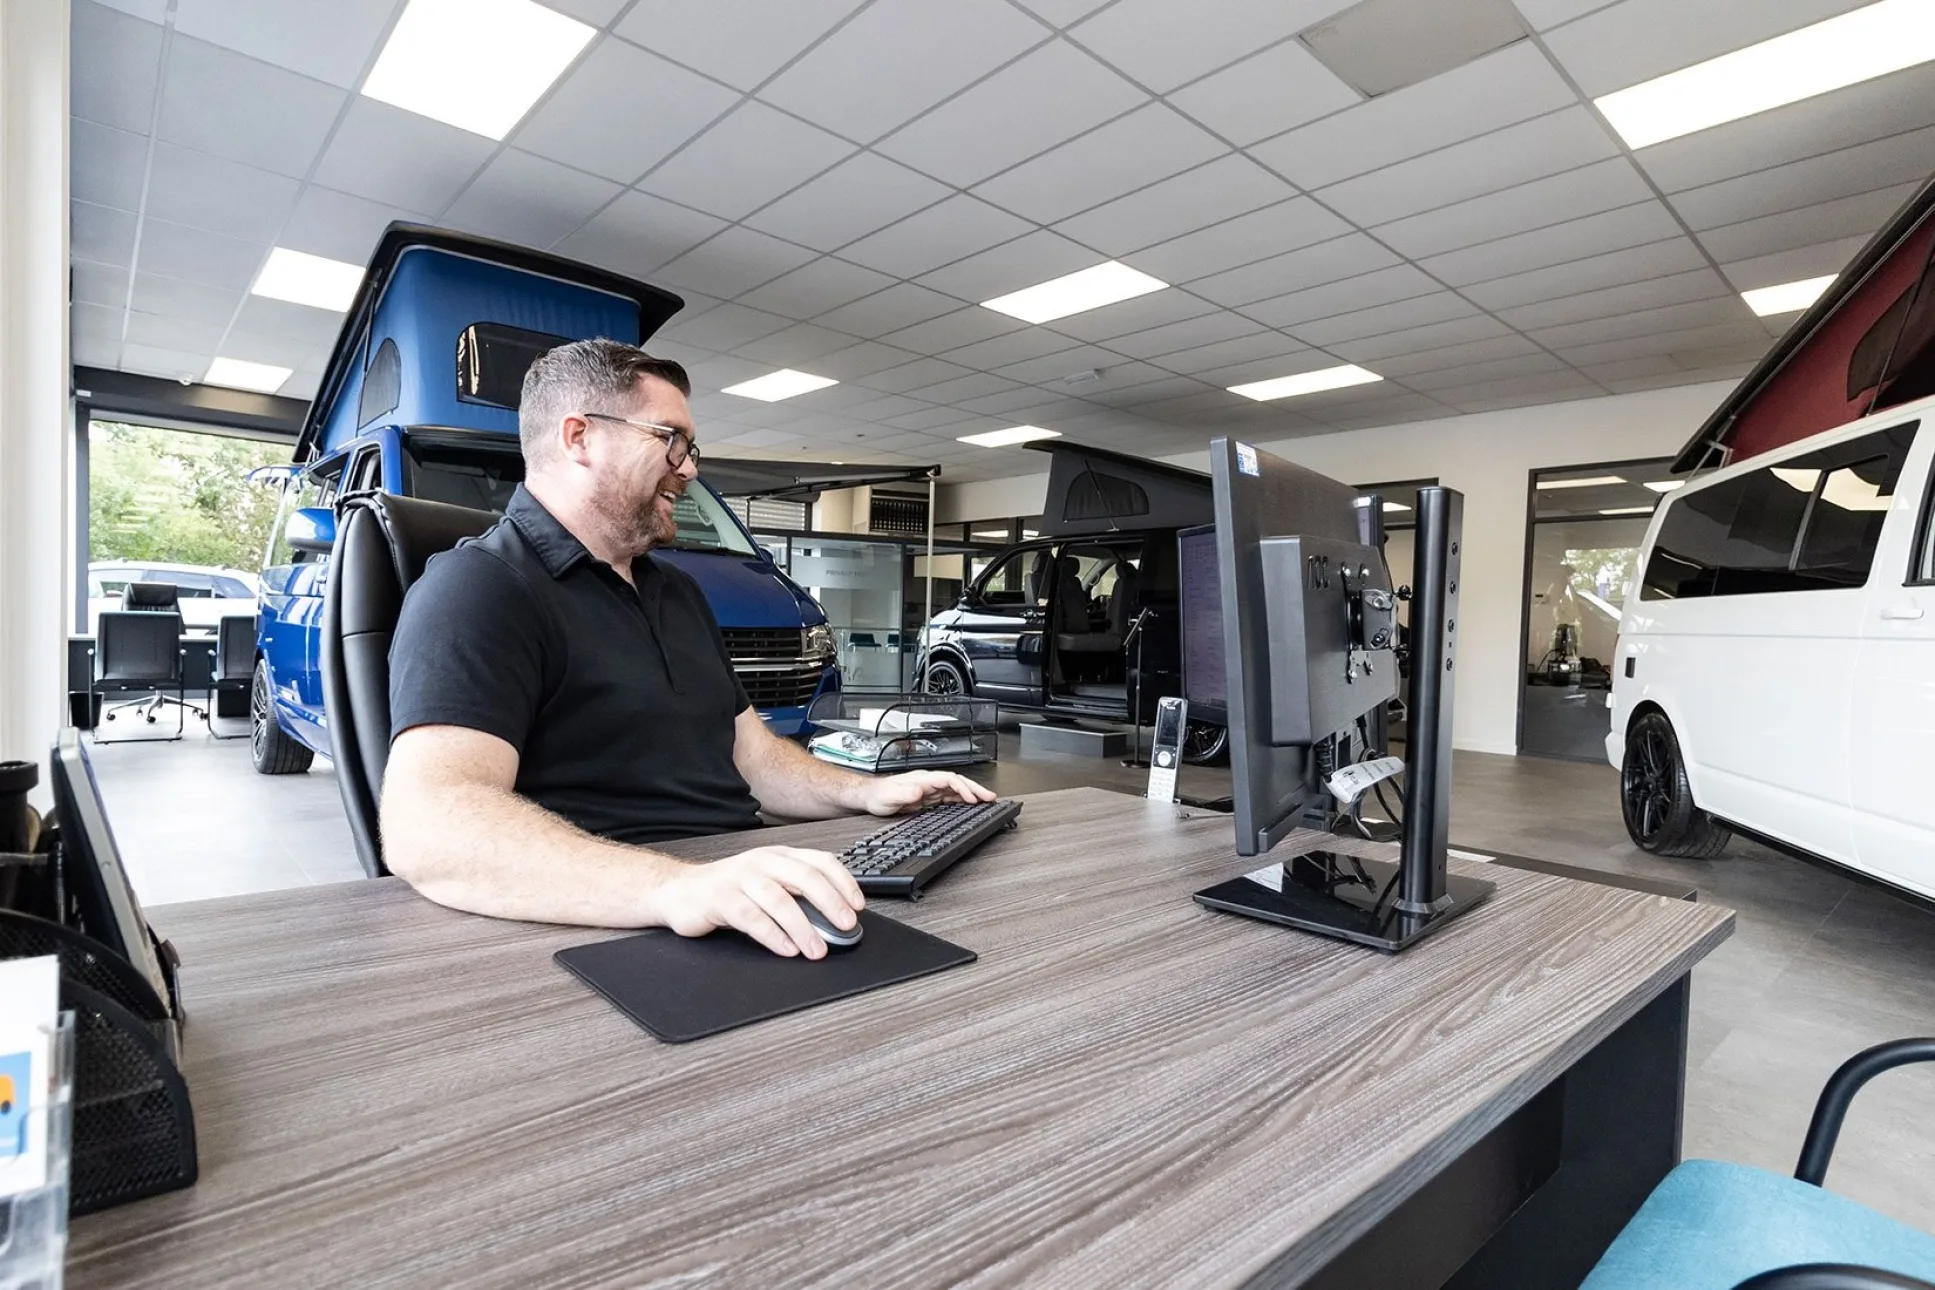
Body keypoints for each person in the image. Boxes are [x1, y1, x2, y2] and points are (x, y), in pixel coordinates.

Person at [381, 339, 993, 959]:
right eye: (668, 438)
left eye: (689, 446)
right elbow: (428, 826)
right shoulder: (481, 586)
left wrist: (864, 792)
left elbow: (753, 759)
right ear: (578, 438)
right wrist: (678, 888)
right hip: (610, 918)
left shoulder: (677, 592)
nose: (689, 467)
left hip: (725, 886)